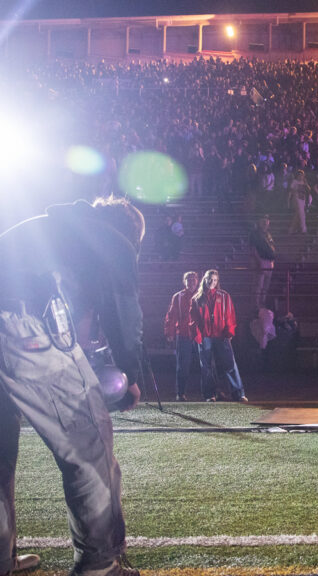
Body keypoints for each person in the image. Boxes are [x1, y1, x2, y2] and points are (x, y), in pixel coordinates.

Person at [0, 197, 144, 576]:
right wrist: (132, 375)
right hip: (19, 322)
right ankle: (98, 564)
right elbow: (124, 314)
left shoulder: (58, 225)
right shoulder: (117, 241)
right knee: (90, 445)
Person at [190, 269, 247, 402]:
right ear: (205, 280)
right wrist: (197, 335)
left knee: (230, 364)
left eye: (215, 280)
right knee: (206, 366)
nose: (212, 282)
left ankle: (239, 394)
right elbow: (193, 320)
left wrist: (230, 331)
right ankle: (210, 394)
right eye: (210, 279)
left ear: (217, 282)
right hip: (205, 337)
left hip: (221, 335)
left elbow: (230, 315)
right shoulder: (197, 299)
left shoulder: (224, 296)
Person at [164, 271, 200, 401]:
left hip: (200, 334)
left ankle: (212, 392)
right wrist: (170, 333)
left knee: (208, 364)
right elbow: (171, 315)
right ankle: (180, 392)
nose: (191, 282)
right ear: (184, 282)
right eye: (189, 280)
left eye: (194, 279)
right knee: (183, 365)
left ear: (197, 281)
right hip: (184, 334)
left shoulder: (202, 295)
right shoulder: (178, 296)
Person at [249, 214, 276, 309]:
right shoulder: (255, 234)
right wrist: (258, 261)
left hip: (269, 261)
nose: (265, 223)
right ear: (259, 222)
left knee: (265, 286)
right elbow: (253, 249)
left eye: (267, 221)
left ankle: (262, 303)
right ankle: (256, 306)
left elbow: (272, 247)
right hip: (261, 261)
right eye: (263, 221)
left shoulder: (268, 234)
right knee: (258, 286)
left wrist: (272, 260)